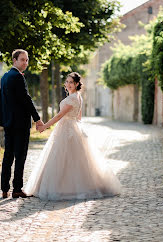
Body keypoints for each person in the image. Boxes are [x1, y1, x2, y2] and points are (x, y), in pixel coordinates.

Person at [24, 72, 121, 200]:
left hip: (67, 128)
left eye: (71, 82)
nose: (68, 84)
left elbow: (59, 116)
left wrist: (44, 126)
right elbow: (79, 117)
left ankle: (65, 188)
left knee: (65, 159)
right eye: (67, 82)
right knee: (72, 159)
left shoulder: (73, 98)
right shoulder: (77, 97)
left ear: (76, 84)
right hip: (71, 127)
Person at [0, 49, 44, 199]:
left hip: (9, 123)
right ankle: (17, 188)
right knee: (20, 156)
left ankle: (4, 189)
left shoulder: (5, 77)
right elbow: (26, 99)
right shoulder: (17, 77)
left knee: (8, 155)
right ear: (14, 60)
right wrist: (37, 118)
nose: (26, 62)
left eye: (27, 60)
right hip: (20, 124)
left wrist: (3, 120)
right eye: (23, 59)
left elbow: (3, 101)